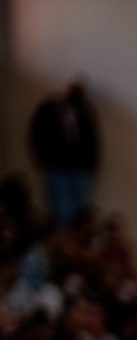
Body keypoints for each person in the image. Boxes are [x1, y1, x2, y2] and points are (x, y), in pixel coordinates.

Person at [27, 80, 100, 229]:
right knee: (62, 211)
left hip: (79, 168)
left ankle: (74, 236)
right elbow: (37, 133)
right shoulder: (50, 111)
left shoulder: (84, 113)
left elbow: (92, 140)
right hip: (58, 167)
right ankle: (63, 237)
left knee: (79, 212)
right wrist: (43, 159)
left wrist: (91, 165)